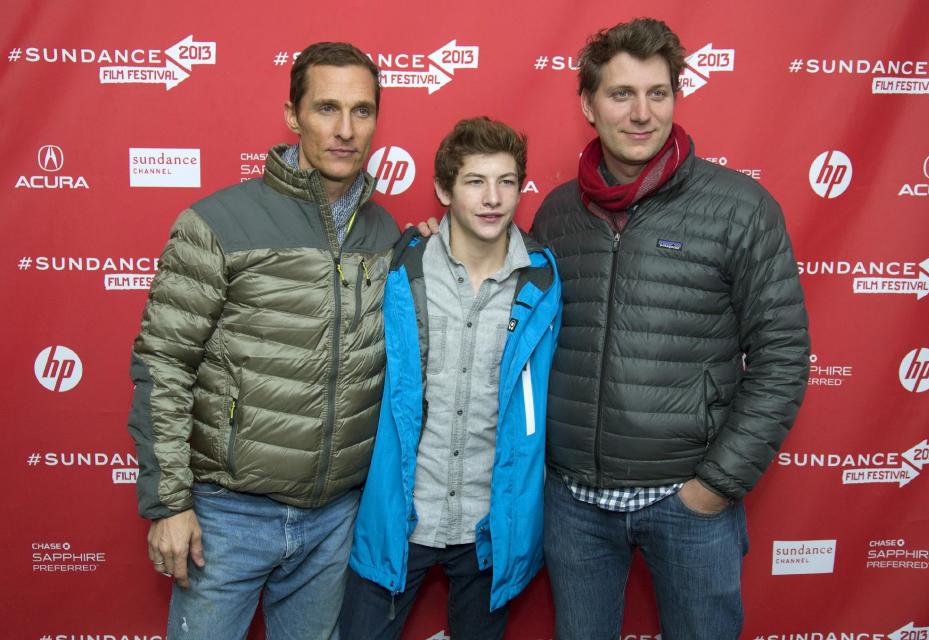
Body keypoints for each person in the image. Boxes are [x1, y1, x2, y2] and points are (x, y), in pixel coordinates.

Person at [529, 18, 810, 640]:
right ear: (588, 104)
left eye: (658, 93)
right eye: (621, 94)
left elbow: (783, 355)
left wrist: (715, 486)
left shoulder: (740, 207)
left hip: (688, 502)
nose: (641, 113)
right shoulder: (555, 213)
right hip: (574, 502)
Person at [126, 41, 399, 640]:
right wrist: (170, 504)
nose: (346, 129)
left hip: (334, 519)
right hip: (227, 515)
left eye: (362, 111)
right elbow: (164, 365)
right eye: (327, 108)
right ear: (292, 115)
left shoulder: (386, 232)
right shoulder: (219, 221)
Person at [342, 117, 562, 640]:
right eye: (474, 182)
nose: (493, 198)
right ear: (444, 189)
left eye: (506, 182)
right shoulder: (401, 264)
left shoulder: (545, 278)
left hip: (491, 524)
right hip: (403, 512)